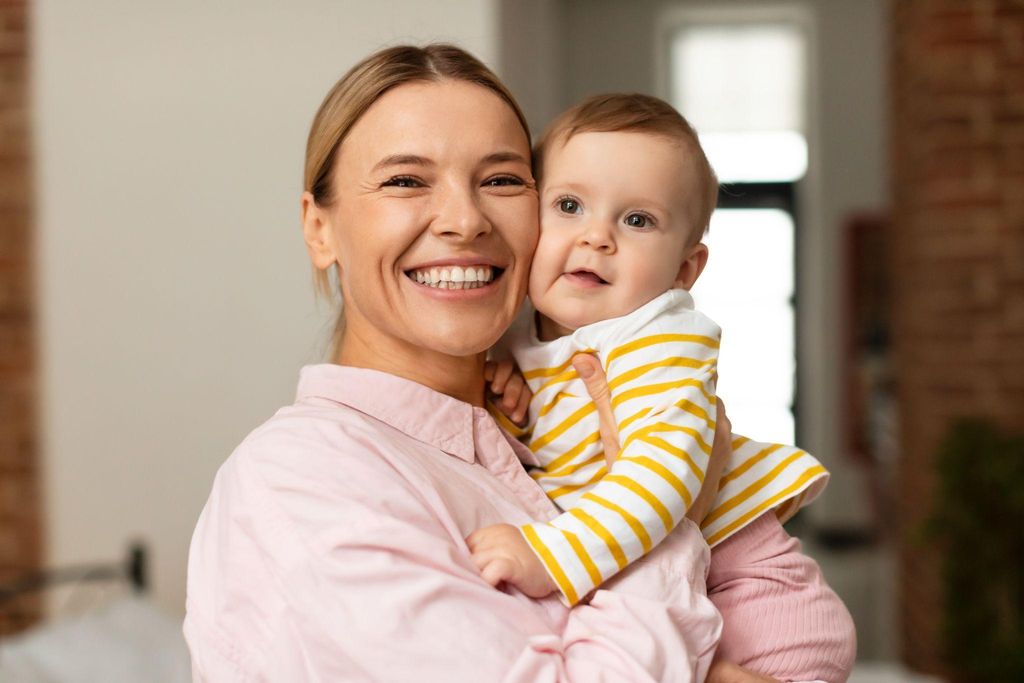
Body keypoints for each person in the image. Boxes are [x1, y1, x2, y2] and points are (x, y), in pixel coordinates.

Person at [184, 44, 856, 682]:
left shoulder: (534, 421)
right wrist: (676, 522)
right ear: (318, 227)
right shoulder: (300, 481)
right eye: (405, 179)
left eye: (502, 179)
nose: (464, 219)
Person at [468, 94, 829, 612]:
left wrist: (554, 555)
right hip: (667, 575)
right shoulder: (515, 333)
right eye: (569, 206)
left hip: (749, 583)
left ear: (684, 270)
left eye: (637, 220)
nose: (597, 237)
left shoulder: (659, 338)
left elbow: (660, 475)